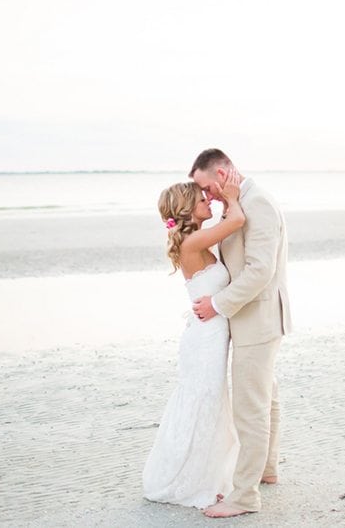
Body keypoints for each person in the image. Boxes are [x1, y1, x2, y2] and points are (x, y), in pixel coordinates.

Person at [190, 149, 292, 518]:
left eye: (206, 186)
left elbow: (260, 271)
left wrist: (217, 304)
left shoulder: (258, 202)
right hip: (257, 318)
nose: (207, 195)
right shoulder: (241, 201)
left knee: (249, 409)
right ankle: (267, 469)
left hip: (258, 319)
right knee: (267, 397)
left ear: (222, 171)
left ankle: (245, 495)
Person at [141, 172, 245, 509]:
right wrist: (230, 196)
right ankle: (193, 482)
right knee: (205, 406)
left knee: (210, 405)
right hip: (205, 342)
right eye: (202, 198)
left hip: (210, 336)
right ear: (188, 208)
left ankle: (207, 476)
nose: (208, 201)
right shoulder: (192, 243)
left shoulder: (197, 240)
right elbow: (239, 219)